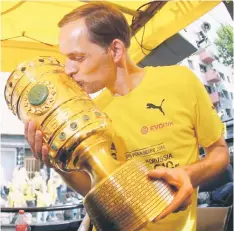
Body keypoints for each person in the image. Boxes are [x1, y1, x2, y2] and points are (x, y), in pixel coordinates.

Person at [24, 2, 230, 231]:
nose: (68, 69)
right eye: (67, 58)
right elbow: (99, 190)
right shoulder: (89, 111)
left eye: (78, 58)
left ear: (116, 50)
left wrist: (188, 175)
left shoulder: (181, 81)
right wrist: (57, 165)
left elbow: (220, 153)